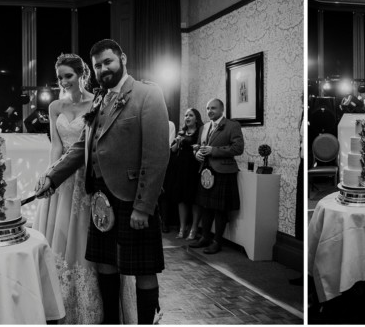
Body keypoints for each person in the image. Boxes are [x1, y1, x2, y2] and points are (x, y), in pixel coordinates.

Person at [34, 39, 169, 324]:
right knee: (106, 265)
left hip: (133, 200)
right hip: (99, 200)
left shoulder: (147, 93)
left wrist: (143, 207)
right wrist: (53, 176)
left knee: (143, 270)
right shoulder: (99, 99)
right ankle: (110, 322)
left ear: (123, 58)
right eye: (97, 65)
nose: (103, 68)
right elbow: (83, 145)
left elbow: (156, 156)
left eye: (108, 62)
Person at [188, 98, 244, 254]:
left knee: (220, 209)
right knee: (205, 207)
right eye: (207, 108)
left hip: (223, 172)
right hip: (205, 171)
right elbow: (198, 145)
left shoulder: (232, 125)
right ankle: (205, 237)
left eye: (213, 108)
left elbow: (238, 148)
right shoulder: (204, 127)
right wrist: (196, 153)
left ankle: (217, 242)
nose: (209, 111)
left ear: (222, 109)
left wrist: (214, 151)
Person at [169, 108, 204, 240]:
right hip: (181, 169)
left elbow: (202, 146)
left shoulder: (200, 132)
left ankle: (194, 228)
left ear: (196, 118)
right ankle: (182, 228)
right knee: (181, 199)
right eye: (186, 115)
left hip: (194, 169)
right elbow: (173, 150)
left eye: (191, 115)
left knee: (194, 199)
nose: (187, 117)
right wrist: (177, 142)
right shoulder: (181, 132)